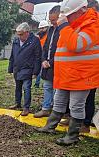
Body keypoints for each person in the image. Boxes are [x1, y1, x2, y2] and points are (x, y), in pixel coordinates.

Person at [37, 0, 99, 146]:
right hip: (66, 73)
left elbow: (76, 45)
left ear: (82, 10)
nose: (66, 18)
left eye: (69, 15)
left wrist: (64, 26)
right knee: (58, 101)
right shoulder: (72, 25)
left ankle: (72, 136)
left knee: (76, 106)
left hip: (82, 75)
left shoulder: (93, 24)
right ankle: (50, 126)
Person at [8, 22, 42, 116]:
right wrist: (10, 68)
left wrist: (35, 71)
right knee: (17, 87)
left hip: (27, 69)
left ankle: (26, 108)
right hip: (17, 68)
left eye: (21, 34)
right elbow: (12, 55)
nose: (19, 36)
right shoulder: (16, 40)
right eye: (18, 34)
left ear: (27, 32)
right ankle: (17, 103)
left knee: (26, 88)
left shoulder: (34, 40)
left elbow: (38, 57)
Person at [34, 6, 61, 118]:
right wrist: (44, 59)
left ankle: (55, 111)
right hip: (47, 65)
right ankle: (46, 108)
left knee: (56, 90)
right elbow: (45, 47)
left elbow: (62, 50)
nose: (52, 23)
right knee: (47, 87)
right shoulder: (50, 30)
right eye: (51, 20)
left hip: (57, 66)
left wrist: (51, 62)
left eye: (54, 20)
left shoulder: (64, 30)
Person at [80, 0, 99, 133]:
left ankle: (86, 124)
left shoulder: (93, 23)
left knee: (89, 96)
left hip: (92, 68)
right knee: (87, 96)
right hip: (90, 67)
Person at [34, 20, 50, 88]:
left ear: (46, 27)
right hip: (39, 53)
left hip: (46, 54)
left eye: (43, 28)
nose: (41, 29)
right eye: (40, 28)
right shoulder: (38, 36)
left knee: (44, 69)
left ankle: (45, 82)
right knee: (39, 69)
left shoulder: (49, 35)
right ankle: (37, 83)